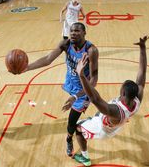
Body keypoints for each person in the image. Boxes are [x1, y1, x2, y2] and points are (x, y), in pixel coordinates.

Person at [24, 22, 99, 156]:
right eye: (71, 31)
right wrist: (27, 68)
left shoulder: (91, 51)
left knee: (71, 121)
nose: (73, 34)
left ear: (84, 33)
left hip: (83, 91)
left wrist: (76, 96)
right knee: (71, 117)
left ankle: (69, 139)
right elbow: (47, 59)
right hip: (70, 82)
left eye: (77, 31)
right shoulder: (65, 44)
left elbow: (93, 80)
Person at [73, 36, 149, 166]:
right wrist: (143, 48)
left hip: (102, 129)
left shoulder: (115, 110)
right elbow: (142, 73)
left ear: (123, 93)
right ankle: (97, 121)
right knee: (98, 115)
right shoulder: (137, 99)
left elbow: (95, 99)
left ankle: (85, 157)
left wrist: (81, 75)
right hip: (114, 126)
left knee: (77, 128)